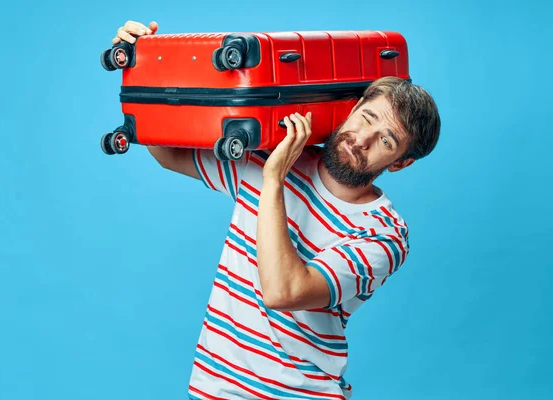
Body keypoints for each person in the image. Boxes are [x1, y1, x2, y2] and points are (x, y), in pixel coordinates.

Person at [112, 20, 441, 400]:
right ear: (354, 108)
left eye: (386, 140)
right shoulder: (274, 153)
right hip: (211, 388)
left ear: (399, 163)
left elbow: (284, 291)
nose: (361, 140)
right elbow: (167, 152)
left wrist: (273, 181)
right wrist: (144, 62)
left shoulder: (384, 234)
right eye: (366, 118)